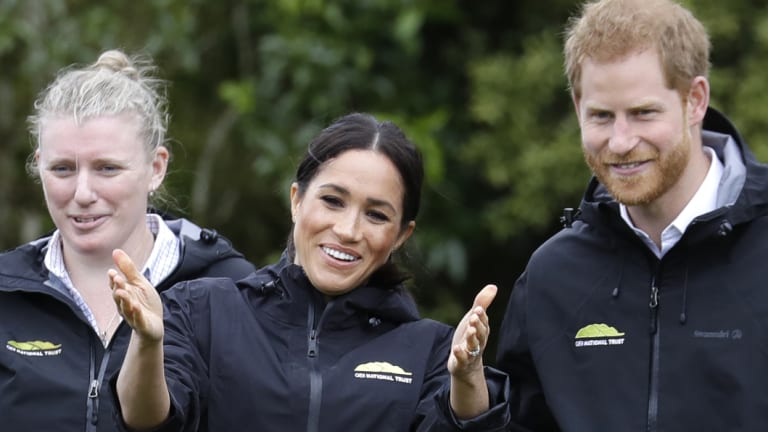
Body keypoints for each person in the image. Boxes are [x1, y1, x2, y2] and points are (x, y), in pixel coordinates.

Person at [108, 112, 511, 431]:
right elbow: (145, 421)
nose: (349, 230)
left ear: (401, 235)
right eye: (333, 201)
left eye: (375, 214)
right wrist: (146, 344)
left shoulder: (431, 351)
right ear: (297, 200)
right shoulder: (203, 311)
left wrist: (468, 378)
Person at [496, 0, 768, 430]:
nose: (620, 142)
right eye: (602, 116)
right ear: (577, 107)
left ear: (695, 101)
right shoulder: (551, 276)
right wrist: (466, 413)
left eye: (643, 113)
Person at [0, 49, 255, 432]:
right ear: (39, 165)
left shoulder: (229, 288)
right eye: (63, 169)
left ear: (156, 168)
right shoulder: (6, 291)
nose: (83, 192)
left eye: (107, 168)